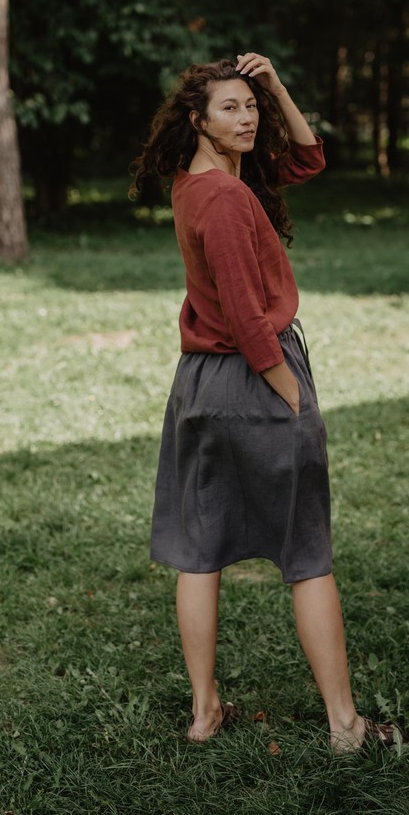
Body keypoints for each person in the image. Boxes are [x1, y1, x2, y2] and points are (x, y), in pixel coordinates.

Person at [130, 53, 393, 752]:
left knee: (200, 549)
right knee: (307, 552)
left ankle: (204, 711)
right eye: (231, 108)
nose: (247, 118)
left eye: (251, 106)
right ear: (197, 118)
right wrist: (293, 397)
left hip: (200, 387)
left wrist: (276, 83)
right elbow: (250, 321)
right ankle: (345, 725)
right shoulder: (225, 199)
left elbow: (307, 158)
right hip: (253, 375)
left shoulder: (202, 180)